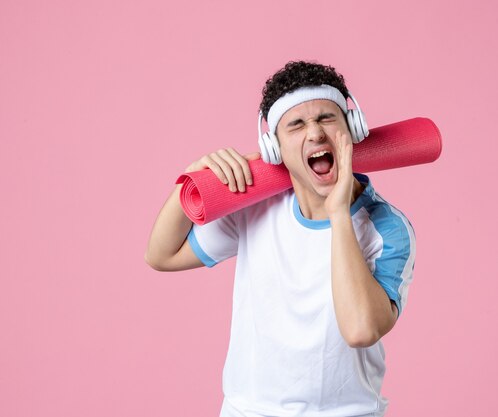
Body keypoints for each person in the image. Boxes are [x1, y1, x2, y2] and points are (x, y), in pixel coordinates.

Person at [145, 61, 415, 417]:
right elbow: (161, 255)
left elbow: (361, 330)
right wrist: (191, 178)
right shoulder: (255, 210)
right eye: (296, 125)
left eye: (326, 118)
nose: (315, 134)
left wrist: (338, 213)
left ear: (353, 129)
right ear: (274, 148)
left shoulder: (388, 227)